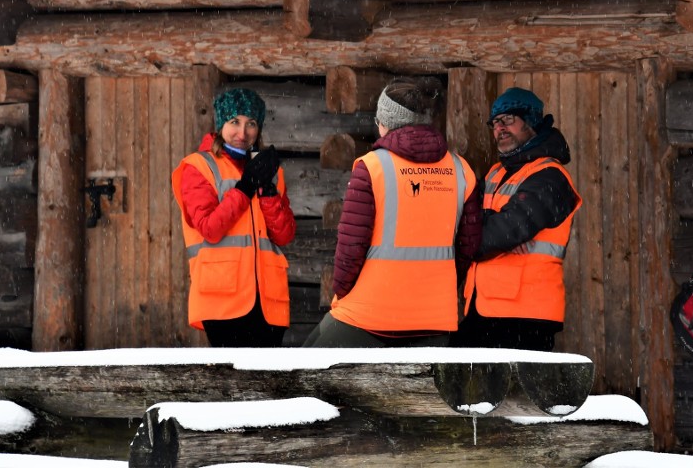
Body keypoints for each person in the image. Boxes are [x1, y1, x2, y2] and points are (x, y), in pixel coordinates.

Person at [304, 77, 482, 348]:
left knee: (304, 369)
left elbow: (351, 246)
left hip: (370, 315)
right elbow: (468, 248)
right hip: (434, 316)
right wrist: (439, 288)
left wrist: (341, 290)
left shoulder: (371, 167)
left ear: (384, 123)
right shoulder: (461, 170)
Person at [450, 87, 582, 351]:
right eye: (495, 123)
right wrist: (490, 227)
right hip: (486, 310)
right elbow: (465, 223)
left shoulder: (550, 177)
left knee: (501, 392)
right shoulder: (496, 172)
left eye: (508, 119)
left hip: (525, 317)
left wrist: (489, 233)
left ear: (531, 121)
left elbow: (497, 234)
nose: (500, 128)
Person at [171, 86, 296, 347]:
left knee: (268, 384)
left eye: (251, 123)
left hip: (268, 300)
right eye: (234, 122)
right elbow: (210, 228)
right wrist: (245, 188)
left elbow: (284, 235)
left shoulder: (268, 170)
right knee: (232, 384)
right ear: (220, 125)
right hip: (222, 300)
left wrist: (267, 191)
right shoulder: (199, 166)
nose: (243, 132)